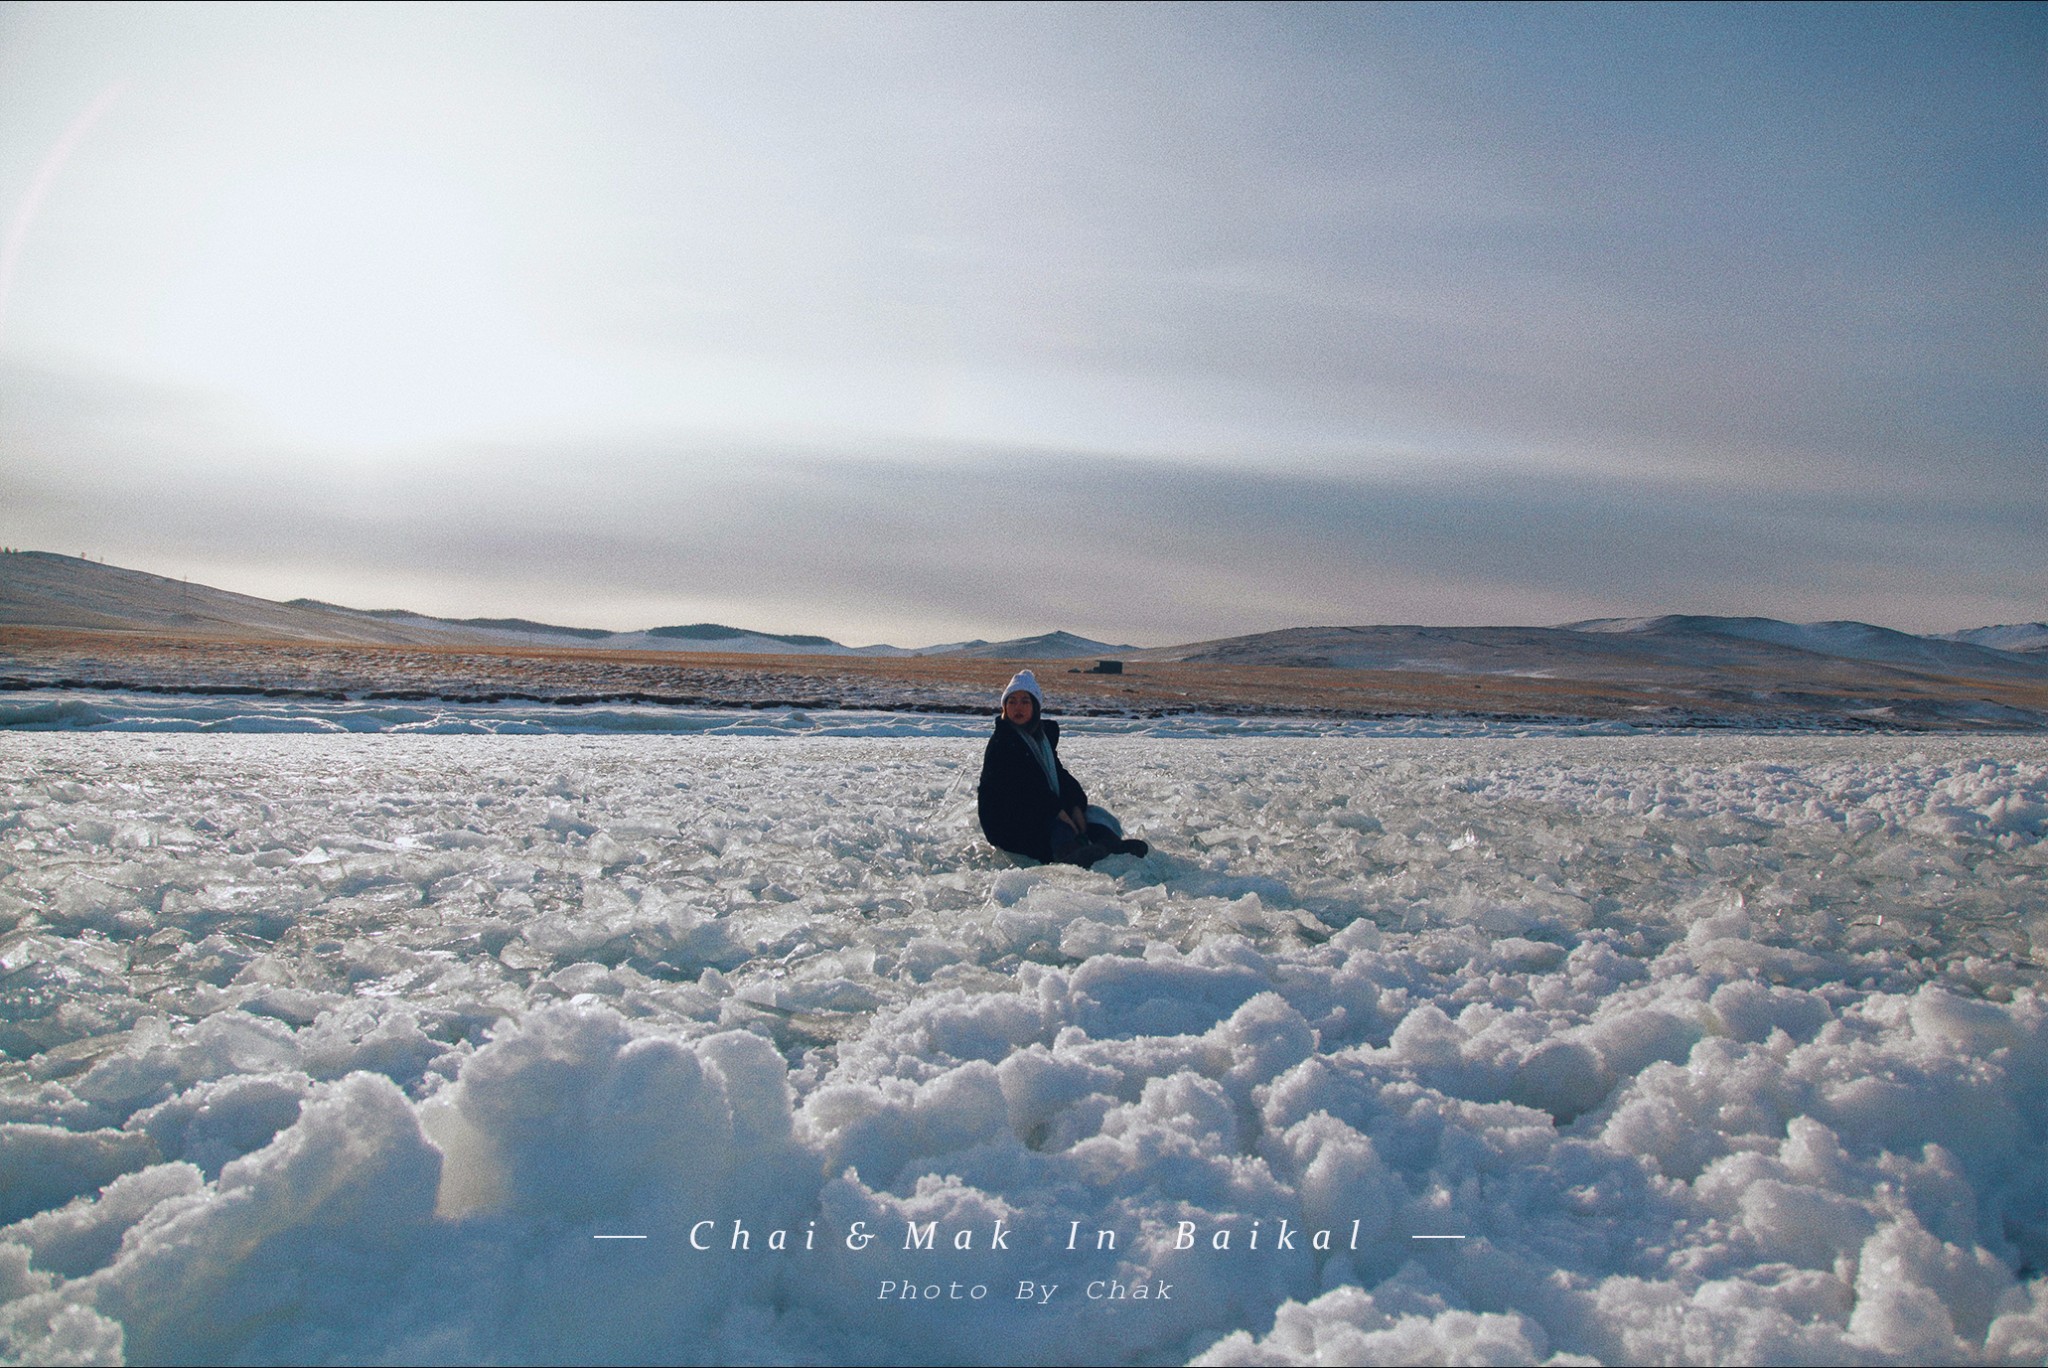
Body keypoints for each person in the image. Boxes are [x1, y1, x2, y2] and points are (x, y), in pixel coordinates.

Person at [977, 669, 1148, 866]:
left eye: (1025, 701)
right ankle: (1069, 855)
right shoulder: (1002, 743)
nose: (1018, 707)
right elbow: (1022, 788)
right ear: (1005, 707)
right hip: (1008, 820)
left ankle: (1111, 846)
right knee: (1057, 824)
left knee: (1090, 816)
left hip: (1037, 805)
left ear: (1035, 706)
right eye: (1012, 701)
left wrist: (1075, 805)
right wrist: (1057, 811)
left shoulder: (1041, 740)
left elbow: (1059, 776)